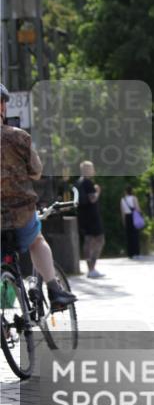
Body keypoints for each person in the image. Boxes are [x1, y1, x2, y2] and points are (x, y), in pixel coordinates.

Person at [0, 84, 77, 307]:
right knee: (37, 241)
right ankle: (54, 291)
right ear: (2, 107)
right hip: (20, 216)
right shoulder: (18, 137)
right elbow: (36, 171)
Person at [75, 160, 106, 277]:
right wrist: (97, 191)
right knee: (99, 239)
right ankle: (92, 268)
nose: (94, 171)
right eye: (92, 168)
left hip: (83, 215)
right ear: (87, 170)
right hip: (92, 216)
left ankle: (90, 268)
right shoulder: (88, 183)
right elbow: (92, 199)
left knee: (88, 241)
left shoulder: (78, 182)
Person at [121, 185, 142, 260]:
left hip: (127, 217)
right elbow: (137, 208)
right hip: (134, 217)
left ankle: (130, 253)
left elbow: (122, 211)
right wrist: (140, 215)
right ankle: (137, 253)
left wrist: (124, 221)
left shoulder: (123, 199)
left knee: (129, 236)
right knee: (135, 235)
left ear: (125, 191)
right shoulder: (134, 198)